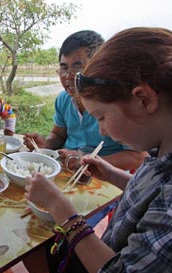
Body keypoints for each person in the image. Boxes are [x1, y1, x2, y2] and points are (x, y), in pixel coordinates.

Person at [25, 27, 172, 273]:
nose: (102, 132)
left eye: (102, 117)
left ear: (144, 99)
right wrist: (113, 175)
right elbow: (159, 197)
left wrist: (60, 208)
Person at [23, 30, 147, 172]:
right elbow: (58, 135)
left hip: (106, 180)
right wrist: (46, 144)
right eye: (63, 68)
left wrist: (85, 159)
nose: (68, 76)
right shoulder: (63, 99)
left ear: (99, 67)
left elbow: (138, 158)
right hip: (68, 172)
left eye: (77, 67)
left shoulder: (113, 104)